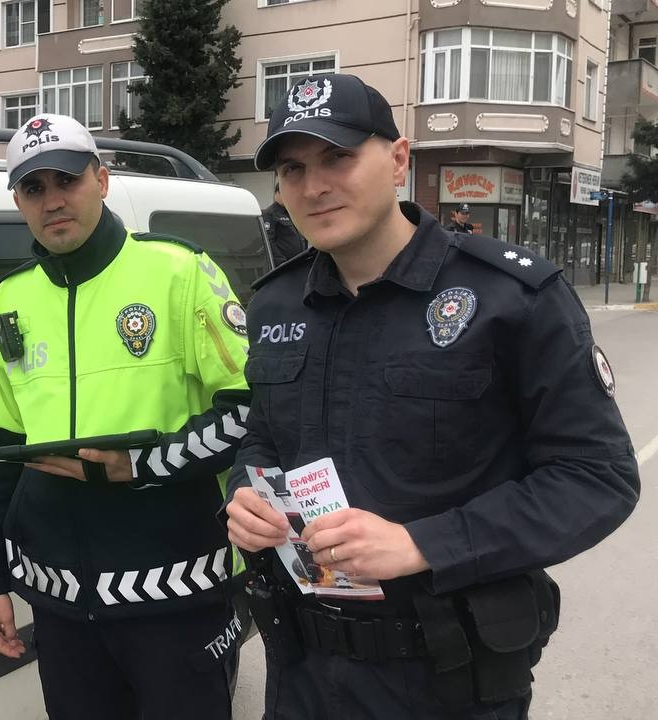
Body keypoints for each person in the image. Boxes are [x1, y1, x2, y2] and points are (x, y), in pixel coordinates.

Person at [224, 73, 640, 719]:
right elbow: (264, 437)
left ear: (397, 160)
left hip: (449, 679)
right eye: (292, 168)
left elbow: (597, 477)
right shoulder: (277, 302)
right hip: (303, 674)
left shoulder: (510, 297)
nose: (314, 185)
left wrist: (424, 545)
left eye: (338, 156)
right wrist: (245, 493)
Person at [0, 113, 253, 719]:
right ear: (18, 201)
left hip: (176, 589)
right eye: (33, 188)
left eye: (66, 180)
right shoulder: (9, 298)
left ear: (101, 179)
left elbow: (253, 413)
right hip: (61, 601)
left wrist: (141, 465)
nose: (52, 200)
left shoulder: (180, 271)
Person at [262, 182, 308, 265]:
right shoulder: (270, 214)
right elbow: (268, 241)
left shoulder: (292, 213)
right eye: (284, 193)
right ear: (276, 194)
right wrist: (280, 261)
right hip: (284, 265)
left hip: (299, 262)